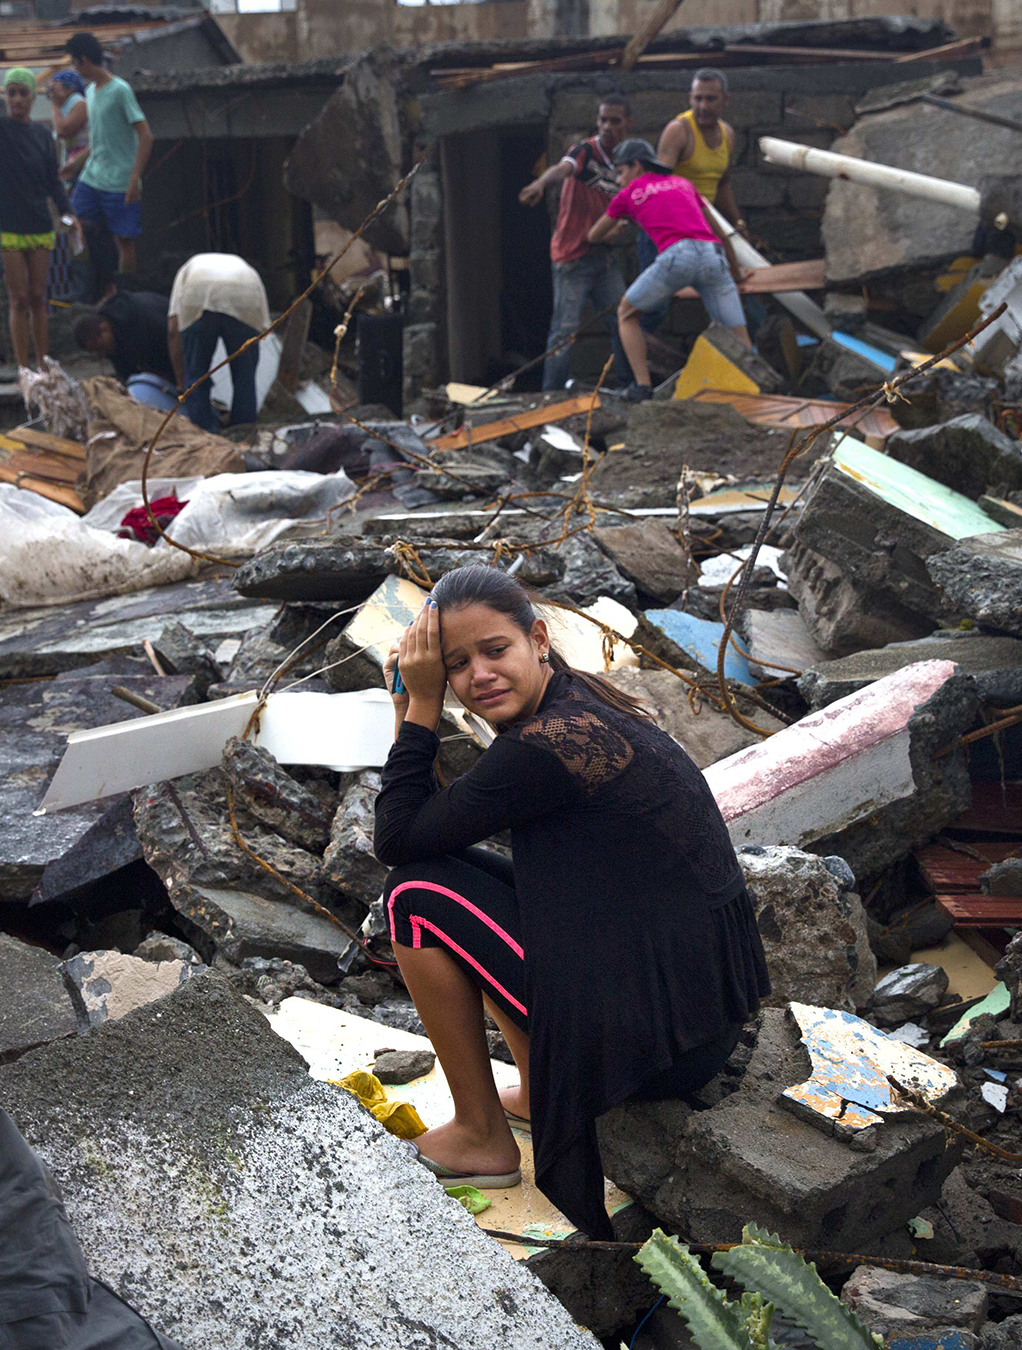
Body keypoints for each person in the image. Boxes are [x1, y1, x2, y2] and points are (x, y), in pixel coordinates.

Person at [374, 565, 770, 1241]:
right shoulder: (582, 704)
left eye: (495, 651)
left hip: (660, 1046)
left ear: (538, 638)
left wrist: (418, 709)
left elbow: (396, 841)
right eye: (456, 666)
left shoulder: (544, 748)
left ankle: (480, 1138)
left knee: (413, 897)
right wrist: (410, 701)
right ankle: (535, 1085)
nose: (480, 676)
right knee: (453, 882)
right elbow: (427, 834)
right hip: (694, 1019)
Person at [587, 138, 748, 401]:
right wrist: (738, 274)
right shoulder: (684, 184)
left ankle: (641, 387)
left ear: (636, 166)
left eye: (620, 172)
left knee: (626, 314)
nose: (617, 180)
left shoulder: (628, 195)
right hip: (712, 255)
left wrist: (617, 228)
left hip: (678, 256)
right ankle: (753, 390)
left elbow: (594, 235)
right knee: (738, 333)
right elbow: (720, 232)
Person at [517, 94, 634, 395]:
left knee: (624, 319)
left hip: (604, 258)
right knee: (564, 332)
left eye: (615, 120)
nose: (607, 126)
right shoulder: (585, 151)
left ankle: (630, 387)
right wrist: (541, 184)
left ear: (627, 124)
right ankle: (551, 397)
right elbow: (563, 168)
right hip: (572, 258)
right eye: (602, 119)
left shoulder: (627, 164)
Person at [0, 66, 72, 370]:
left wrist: (67, 212)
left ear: (32, 98)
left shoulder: (41, 134)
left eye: (23, 93)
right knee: (18, 298)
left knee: (38, 296)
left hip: (39, 224)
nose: (17, 99)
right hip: (8, 225)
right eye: (12, 93)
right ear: (5, 96)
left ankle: (43, 361)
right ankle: (23, 367)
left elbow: (53, 179)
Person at [64, 31, 152, 299]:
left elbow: (146, 135)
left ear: (86, 60)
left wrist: (134, 178)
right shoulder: (90, 91)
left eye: (76, 63)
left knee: (125, 240)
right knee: (73, 222)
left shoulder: (120, 90)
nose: (75, 69)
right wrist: (76, 164)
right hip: (92, 176)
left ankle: (125, 293)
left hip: (120, 179)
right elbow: (100, 138)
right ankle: (88, 286)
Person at [167, 252, 269, 433]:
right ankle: (244, 435)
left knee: (196, 377)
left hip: (197, 293)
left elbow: (172, 330)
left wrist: (182, 382)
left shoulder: (186, 270)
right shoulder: (244, 266)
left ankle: (204, 435)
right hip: (246, 290)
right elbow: (262, 328)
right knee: (244, 378)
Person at [657, 68, 748, 240]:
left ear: (726, 100)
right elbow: (659, 185)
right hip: (672, 227)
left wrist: (738, 222)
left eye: (711, 99)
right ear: (690, 98)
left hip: (705, 225)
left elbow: (722, 185)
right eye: (698, 99)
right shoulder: (679, 131)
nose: (703, 106)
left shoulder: (727, 134)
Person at [72, 286, 173, 382]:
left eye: (100, 348)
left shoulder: (140, 319)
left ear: (104, 328)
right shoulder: (114, 339)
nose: (103, 354)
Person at [49, 68, 89, 184]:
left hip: (82, 159)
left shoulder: (79, 102)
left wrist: (55, 105)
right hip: (72, 156)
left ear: (68, 89)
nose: (51, 95)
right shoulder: (66, 106)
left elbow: (62, 130)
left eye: (54, 90)